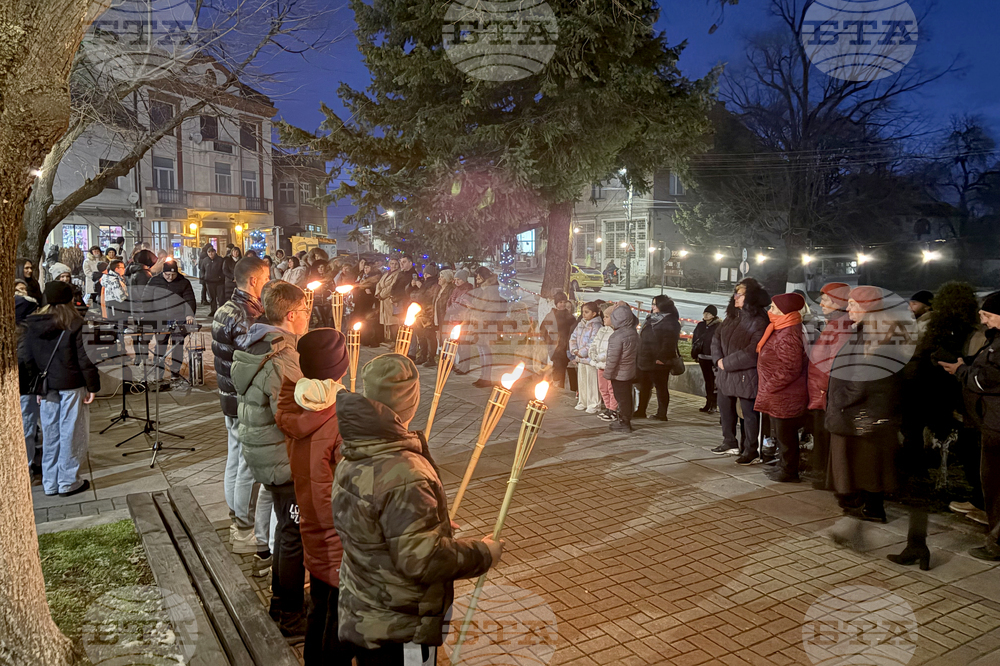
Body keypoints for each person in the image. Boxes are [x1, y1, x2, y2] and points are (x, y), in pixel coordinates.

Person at [331, 353, 502, 665]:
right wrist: (483, 553)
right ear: (410, 402)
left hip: (366, 606)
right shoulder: (404, 470)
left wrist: (434, 524)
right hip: (400, 624)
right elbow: (422, 560)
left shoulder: (360, 446)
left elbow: (377, 526)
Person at [232, 281, 310, 636]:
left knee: (286, 528)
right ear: (292, 315)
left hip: (263, 451)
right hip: (280, 456)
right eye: (307, 311)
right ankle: (291, 614)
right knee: (293, 534)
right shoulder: (282, 359)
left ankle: (282, 602)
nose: (309, 316)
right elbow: (293, 414)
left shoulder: (258, 342)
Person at [276, 328, 353, 664]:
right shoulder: (340, 415)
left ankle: (313, 659)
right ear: (341, 368)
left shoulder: (294, 400)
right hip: (337, 524)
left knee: (320, 599)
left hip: (309, 515)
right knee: (338, 610)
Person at [826, 286, 907, 524]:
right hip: (868, 408)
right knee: (866, 460)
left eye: (853, 304)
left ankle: (873, 509)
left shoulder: (875, 336)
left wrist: (840, 399)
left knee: (870, 461)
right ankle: (867, 504)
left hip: (867, 409)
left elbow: (863, 378)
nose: (848, 308)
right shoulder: (868, 332)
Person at [20, 281, 100, 496]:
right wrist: (92, 386)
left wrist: (36, 386)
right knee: (71, 431)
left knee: (50, 432)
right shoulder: (75, 323)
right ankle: (68, 481)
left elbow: (28, 358)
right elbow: (85, 359)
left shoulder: (33, 323)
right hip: (71, 383)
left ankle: (50, 482)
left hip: (46, 386)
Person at [212, 255, 269, 554]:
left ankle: (236, 520)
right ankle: (244, 530)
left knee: (235, 457)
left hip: (229, 397)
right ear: (254, 280)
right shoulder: (246, 314)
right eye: (266, 279)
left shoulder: (226, 308)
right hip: (242, 398)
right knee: (247, 463)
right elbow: (254, 358)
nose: (268, 284)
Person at [944, 291, 1000, 561]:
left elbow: (987, 380)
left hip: (997, 425)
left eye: (988, 315)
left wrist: (962, 372)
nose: (983, 319)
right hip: (990, 421)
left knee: (996, 484)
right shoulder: (994, 340)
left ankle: (997, 544)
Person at [711, 278, 770, 462]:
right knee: (725, 410)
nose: (735, 297)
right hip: (725, 373)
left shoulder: (759, 321)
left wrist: (727, 363)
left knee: (749, 415)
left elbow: (753, 351)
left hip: (746, 375)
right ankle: (729, 442)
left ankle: (751, 449)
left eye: (740, 293)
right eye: (735, 293)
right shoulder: (731, 317)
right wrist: (719, 360)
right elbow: (716, 338)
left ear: (750, 297)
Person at [754, 292, 809, 483]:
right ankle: (784, 467)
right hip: (779, 395)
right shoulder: (781, 327)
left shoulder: (788, 333)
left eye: (774, 308)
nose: (770, 311)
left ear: (784, 311)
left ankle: (789, 471)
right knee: (782, 435)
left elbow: (790, 368)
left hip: (785, 395)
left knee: (787, 437)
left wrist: (770, 386)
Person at [806, 283, 853, 489]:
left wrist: (825, 389)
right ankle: (825, 476)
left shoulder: (841, 327)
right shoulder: (833, 324)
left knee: (826, 438)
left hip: (826, 394)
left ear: (837, 302)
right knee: (821, 437)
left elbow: (836, 365)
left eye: (825, 299)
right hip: (821, 393)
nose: (821, 303)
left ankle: (828, 478)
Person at [145, 259, 197, 385]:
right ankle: (158, 372)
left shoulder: (183, 282)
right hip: (160, 318)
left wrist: (189, 314)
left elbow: (189, 299)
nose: (170, 277)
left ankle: (175, 372)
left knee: (177, 345)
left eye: (173, 275)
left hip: (178, 318)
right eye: (167, 274)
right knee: (160, 345)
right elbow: (146, 299)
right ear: (163, 272)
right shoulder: (154, 281)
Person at [635, 295, 680, 421]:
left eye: (655, 304)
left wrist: (662, 358)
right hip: (645, 358)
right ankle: (641, 410)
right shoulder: (651, 319)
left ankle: (662, 414)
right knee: (644, 386)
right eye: (652, 303)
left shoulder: (670, 321)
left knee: (661, 387)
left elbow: (669, 342)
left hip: (659, 361)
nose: (652, 306)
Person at [466, 266, 506, 387]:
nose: (477, 278)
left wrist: (482, 318)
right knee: (481, 350)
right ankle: (483, 376)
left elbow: (494, 307)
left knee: (485, 351)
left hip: (487, 324)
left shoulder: (490, 289)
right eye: (476, 276)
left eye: (479, 276)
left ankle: (486, 378)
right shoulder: (482, 289)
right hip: (479, 323)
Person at [604, 302, 639, 433]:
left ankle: (624, 422)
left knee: (621, 397)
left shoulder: (617, 336)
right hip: (630, 370)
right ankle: (626, 419)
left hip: (619, 373)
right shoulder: (633, 333)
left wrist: (608, 373)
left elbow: (613, 358)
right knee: (627, 397)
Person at [570, 302, 603, 413]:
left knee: (592, 382)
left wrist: (582, 352)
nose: (584, 314)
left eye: (586, 312)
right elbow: (573, 337)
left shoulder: (597, 326)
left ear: (594, 313)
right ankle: (582, 401)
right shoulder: (581, 324)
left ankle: (593, 403)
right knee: (582, 381)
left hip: (590, 360)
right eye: (583, 312)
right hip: (580, 359)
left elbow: (593, 342)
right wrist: (574, 350)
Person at [589, 302, 618, 422]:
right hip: (599, 364)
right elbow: (595, 343)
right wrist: (593, 355)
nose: (603, 319)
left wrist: (601, 357)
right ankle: (607, 407)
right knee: (603, 388)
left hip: (609, 365)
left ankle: (613, 410)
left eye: (606, 317)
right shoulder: (602, 330)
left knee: (612, 388)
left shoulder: (615, 333)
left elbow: (611, 350)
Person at [541, 293, 576, 389]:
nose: (562, 304)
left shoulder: (570, 317)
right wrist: (549, 341)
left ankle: (571, 389)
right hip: (555, 348)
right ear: (556, 303)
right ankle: (558, 389)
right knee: (558, 369)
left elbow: (573, 331)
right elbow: (543, 330)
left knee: (568, 369)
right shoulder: (551, 316)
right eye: (560, 302)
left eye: (564, 302)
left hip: (568, 347)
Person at [691, 305, 720, 413]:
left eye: (708, 313)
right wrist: (695, 353)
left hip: (713, 358)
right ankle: (708, 403)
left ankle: (714, 404)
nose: (706, 315)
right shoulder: (700, 325)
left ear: (713, 315)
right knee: (708, 381)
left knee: (714, 382)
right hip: (702, 357)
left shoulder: (718, 326)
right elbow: (695, 339)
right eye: (705, 313)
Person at [412, 265, 441, 365]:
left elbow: (426, 298)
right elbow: (413, 295)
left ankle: (431, 358)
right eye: (424, 273)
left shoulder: (434, 285)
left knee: (429, 336)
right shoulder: (425, 284)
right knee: (420, 335)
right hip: (420, 313)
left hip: (429, 314)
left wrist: (421, 287)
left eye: (427, 273)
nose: (425, 275)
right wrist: (412, 286)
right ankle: (422, 356)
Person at [432, 269, 456, 364]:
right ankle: (443, 359)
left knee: (447, 340)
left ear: (447, 279)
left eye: (442, 277)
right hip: (438, 318)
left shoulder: (450, 290)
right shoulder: (439, 289)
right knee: (441, 340)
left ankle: (448, 361)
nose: (439, 278)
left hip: (445, 318)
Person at [375, 258, 402, 343]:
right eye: (392, 263)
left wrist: (382, 294)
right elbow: (379, 284)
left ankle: (395, 342)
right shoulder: (386, 274)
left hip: (390, 300)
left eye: (395, 264)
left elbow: (391, 286)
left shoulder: (398, 274)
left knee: (393, 322)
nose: (393, 265)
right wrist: (378, 293)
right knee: (388, 322)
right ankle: (391, 340)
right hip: (383, 301)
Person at [202, 246, 226, 315]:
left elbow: (223, 269)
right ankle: (213, 310)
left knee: (220, 298)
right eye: (209, 252)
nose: (211, 254)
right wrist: (203, 277)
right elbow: (202, 270)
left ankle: (222, 311)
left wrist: (221, 277)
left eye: (212, 252)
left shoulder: (220, 260)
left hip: (219, 282)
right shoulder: (205, 260)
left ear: (215, 252)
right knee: (212, 298)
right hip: (209, 282)